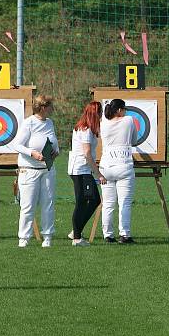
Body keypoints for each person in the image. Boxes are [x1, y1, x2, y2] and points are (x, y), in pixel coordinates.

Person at [13, 95, 59, 248]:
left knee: (48, 203)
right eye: (50, 106)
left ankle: (47, 237)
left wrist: (55, 151)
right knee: (28, 205)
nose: (53, 109)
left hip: (47, 169)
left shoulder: (50, 123)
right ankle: (24, 238)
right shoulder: (29, 123)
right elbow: (17, 145)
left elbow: (54, 143)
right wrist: (32, 153)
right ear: (43, 107)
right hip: (29, 169)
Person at [67, 101, 106, 246]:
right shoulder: (85, 129)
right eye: (100, 113)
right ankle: (77, 238)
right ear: (95, 114)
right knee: (82, 202)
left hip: (83, 169)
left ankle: (76, 231)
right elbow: (87, 153)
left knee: (93, 200)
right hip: (80, 170)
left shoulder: (87, 128)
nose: (101, 116)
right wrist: (98, 174)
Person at [99, 99, 137, 244]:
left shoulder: (103, 122)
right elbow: (133, 140)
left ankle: (108, 235)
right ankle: (125, 235)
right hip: (124, 166)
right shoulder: (129, 120)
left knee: (108, 203)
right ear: (120, 110)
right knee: (124, 203)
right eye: (124, 109)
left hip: (106, 167)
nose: (126, 111)